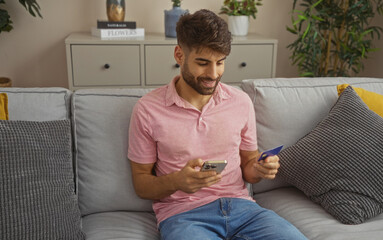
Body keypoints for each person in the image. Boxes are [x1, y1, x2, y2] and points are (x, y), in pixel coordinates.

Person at [128, 9, 307, 240]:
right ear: (179, 55)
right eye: (202, 63)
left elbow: (249, 170)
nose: (213, 74)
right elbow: (141, 184)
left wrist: (260, 168)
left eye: (220, 63)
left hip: (244, 211)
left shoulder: (240, 102)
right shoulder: (148, 109)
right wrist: (177, 181)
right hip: (184, 216)